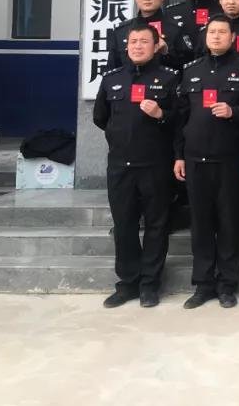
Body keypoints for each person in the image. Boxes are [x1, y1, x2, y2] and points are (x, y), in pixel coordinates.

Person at [93, 21, 179, 308]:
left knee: (157, 225)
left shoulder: (169, 78)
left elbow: (180, 120)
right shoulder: (112, 78)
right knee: (124, 225)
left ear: (156, 46)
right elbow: (100, 117)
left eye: (144, 41)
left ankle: (150, 284)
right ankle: (128, 282)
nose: (138, 46)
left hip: (156, 165)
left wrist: (160, 114)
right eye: (133, 42)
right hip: (121, 166)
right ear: (126, 46)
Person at [173, 15, 239, 309]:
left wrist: (234, 112)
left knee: (230, 222)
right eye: (212, 32)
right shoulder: (191, 70)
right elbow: (181, 117)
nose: (216, 36)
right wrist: (179, 156)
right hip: (195, 159)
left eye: (222, 32)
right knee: (201, 223)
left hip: (229, 159)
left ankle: (227, 284)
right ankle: (203, 284)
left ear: (233, 38)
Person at [108, 0, 193, 71]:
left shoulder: (175, 28)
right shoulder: (122, 30)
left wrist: (166, 52)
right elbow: (112, 68)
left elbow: (188, 67)